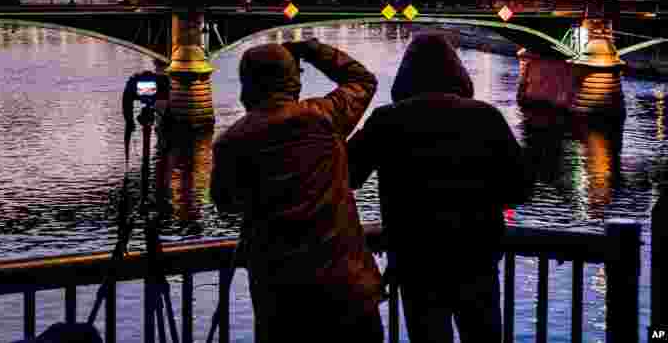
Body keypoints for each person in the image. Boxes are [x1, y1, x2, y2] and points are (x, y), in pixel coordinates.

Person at [347, 32, 532, 343]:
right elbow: (520, 188)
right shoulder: (485, 117)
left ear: (405, 76)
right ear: (457, 72)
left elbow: (348, 175)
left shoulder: (386, 121)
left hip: (415, 261)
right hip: (476, 258)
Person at [210, 38, 384, 342]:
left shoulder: (231, 143)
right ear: (292, 81)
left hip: (282, 299)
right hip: (348, 291)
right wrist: (312, 49)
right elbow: (362, 79)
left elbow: (224, 201)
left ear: (247, 85)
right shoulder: (325, 117)